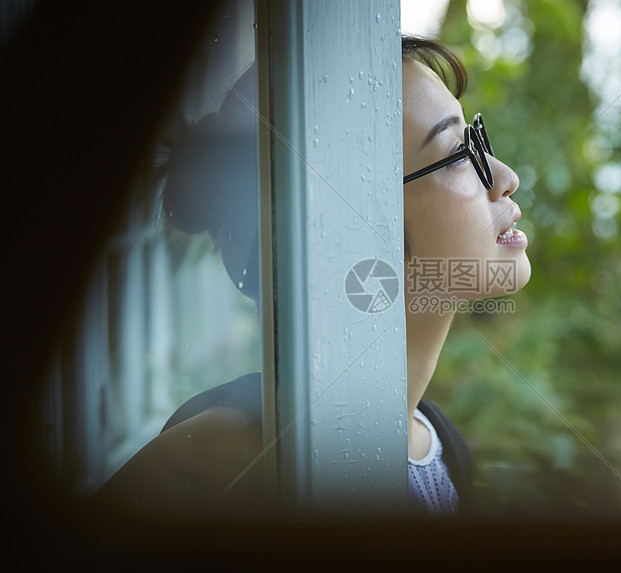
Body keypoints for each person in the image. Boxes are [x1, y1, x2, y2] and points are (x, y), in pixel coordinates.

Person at [91, 35, 530, 518]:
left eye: (477, 139)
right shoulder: (238, 456)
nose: (505, 176)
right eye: (460, 151)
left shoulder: (440, 446)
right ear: (354, 225)